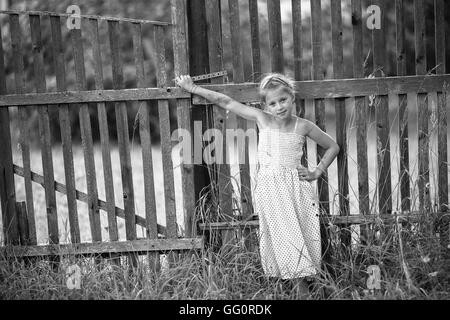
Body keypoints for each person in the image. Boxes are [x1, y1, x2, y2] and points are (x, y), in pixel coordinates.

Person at [175, 73, 340, 298]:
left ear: (292, 98)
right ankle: (302, 289)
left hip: (295, 190)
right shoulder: (262, 119)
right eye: (272, 103)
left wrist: (316, 172)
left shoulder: (303, 126)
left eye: (283, 100)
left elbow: (332, 146)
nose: (279, 107)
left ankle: (310, 289)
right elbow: (226, 101)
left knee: (299, 238)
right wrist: (193, 88)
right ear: (265, 105)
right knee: (282, 239)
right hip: (270, 191)